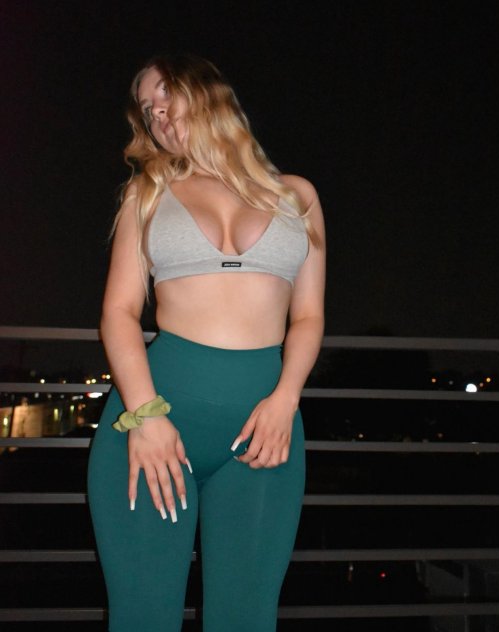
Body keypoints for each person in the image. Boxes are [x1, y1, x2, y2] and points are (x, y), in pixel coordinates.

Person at [87, 53, 326, 632]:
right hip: (153, 425)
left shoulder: (297, 196)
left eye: (165, 94)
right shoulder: (147, 194)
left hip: (264, 431)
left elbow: (309, 316)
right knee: (143, 618)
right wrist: (146, 416)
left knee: (246, 619)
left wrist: (286, 398)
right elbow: (119, 313)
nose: (157, 113)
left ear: (207, 92)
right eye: (147, 108)